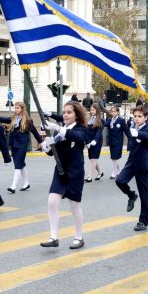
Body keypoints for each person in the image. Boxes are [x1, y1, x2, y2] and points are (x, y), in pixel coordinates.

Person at [39, 102, 89, 249]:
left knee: (74, 206)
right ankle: (54, 237)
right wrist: (47, 144)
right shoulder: (59, 130)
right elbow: (50, 152)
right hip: (60, 170)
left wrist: (57, 128)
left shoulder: (81, 129)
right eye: (64, 112)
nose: (65, 115)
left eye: (69, 112)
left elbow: (78, 138)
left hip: (75, 172)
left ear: (76, 115)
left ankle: (79, 237)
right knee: (52, 202)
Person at [115, 105, 148, 231]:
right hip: (132, 162)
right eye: (135, 116)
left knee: (144, 194)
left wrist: (136, 133)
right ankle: (131, 195)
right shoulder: (133, 128)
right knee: (119, 181)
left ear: (145, 117)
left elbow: (146, 136)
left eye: (139, 116)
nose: (137, 119)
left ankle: (143, 221)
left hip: (142, 164)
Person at [0, 101, 42, 193]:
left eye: (17, 108)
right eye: (15, 108)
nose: (16, 109)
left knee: (18, 166)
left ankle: (13, 186)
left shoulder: (27, 120)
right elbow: (6, 120)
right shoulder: (13, 118)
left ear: (22, 109)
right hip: (14, 144)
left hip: (22, 145)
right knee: (20, 164)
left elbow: (34, 132)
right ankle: (26, 183)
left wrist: (41, 142)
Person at [106, 105, 128, 179]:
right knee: (113, 157)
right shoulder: (109, 120)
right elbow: (104, 125)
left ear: (118, 112)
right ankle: (118, 170)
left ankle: (114, 171)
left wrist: (131, 139)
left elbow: (126, 130)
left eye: (114, 111)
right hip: (111, 141)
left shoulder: (121, 120)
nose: (113, 113)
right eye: (112, 112)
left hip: (118, 141)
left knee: (116, 156)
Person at [84, 104, 104, 182]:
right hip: (89, 141)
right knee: (92, 158)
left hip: (97, 141)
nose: (91, 111)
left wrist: (95, 140)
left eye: (93, 110)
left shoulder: (101, 120)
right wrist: (88, 142)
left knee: (93, 158)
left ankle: (89, 176)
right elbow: (86, 131)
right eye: (91, 110)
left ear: (97, 110)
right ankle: (100, 172)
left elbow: (99, 132)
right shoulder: (88, 119)